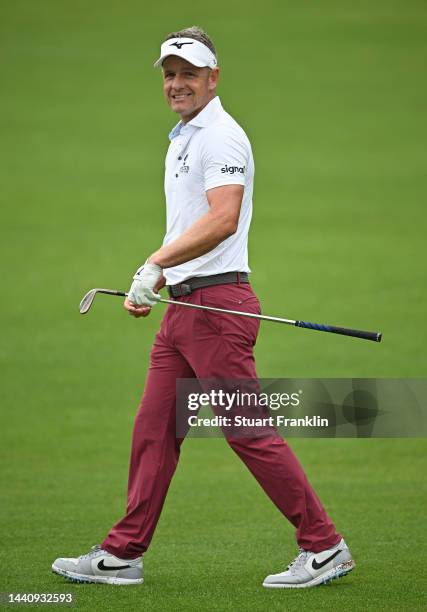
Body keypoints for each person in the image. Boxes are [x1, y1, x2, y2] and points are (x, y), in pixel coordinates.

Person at [52, 26, 355, 588]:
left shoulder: (221, 136)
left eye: (189, 73)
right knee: (153, 430)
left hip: (218, 311)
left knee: (248, 432)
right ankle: (123, 553)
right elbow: (195, 222)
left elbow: (223, 218)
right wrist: (162, 276)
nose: (177, 83)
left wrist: (155, 262)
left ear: (213, 78)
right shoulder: (185, 135)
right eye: (170, 74)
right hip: (185, 312)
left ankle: (325, 546)